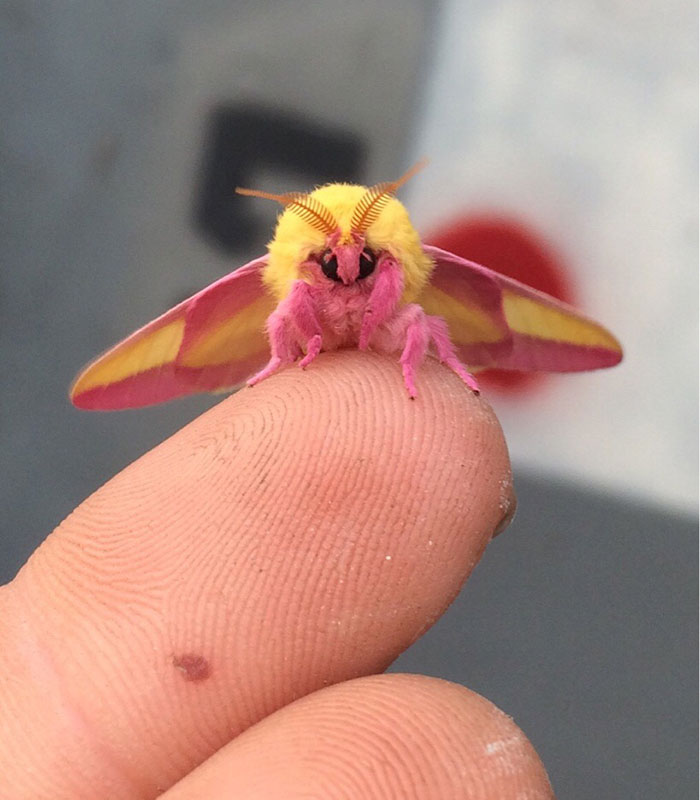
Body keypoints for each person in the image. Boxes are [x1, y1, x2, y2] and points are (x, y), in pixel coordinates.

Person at [0, 352, 553, 798]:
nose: (344, 272)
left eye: (364, 263)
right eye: (327, 264)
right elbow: (284, 312)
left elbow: (418, 320)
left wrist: (417, 363)